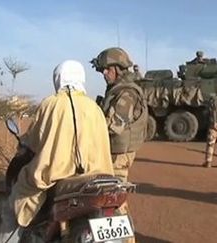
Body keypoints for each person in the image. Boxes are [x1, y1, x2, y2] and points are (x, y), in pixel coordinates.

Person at [0, 60, 114, 242]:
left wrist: (25, 145)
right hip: (96, 176)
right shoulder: (95, 108)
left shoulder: (50, 104)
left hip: (54, 176)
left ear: (58, 78)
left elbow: (33, 141)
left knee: (12, 210)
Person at [91, 47, 148, 243]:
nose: (104, 74)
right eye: (103, 71)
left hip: (119, 154)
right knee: (111, 196)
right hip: (115, 151)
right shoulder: (118, 90)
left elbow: (115, 124)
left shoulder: (127, 93)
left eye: (107, 69)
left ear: (118, 68)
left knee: (113, 199)